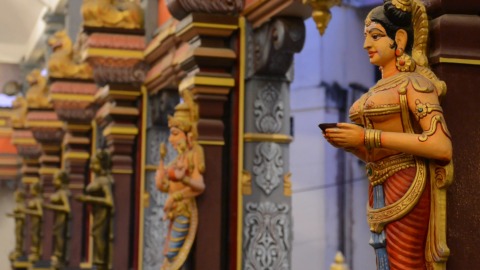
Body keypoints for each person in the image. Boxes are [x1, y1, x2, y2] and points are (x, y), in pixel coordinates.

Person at [322, 0, 453, 269]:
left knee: (405, 263)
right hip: (378, 183)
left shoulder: (414, 85)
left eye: (376, 36)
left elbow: (441, 145)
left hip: (409, 182)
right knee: (383, 257)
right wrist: (352, 144)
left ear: (400, 39)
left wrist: (367, 138)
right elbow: (373, 150)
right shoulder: (375, 91)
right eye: (365, 37)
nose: (366, 45)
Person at [155, 92, 206, 270]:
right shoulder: (175, 161)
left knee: (173, 256)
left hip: (185, 211)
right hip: (174, 213)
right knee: (169, 258)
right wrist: (161, 161)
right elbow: (162, 186)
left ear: (188, 135)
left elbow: (199, 186)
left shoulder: (193, 155)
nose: (171, 140)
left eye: (175, 134)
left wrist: (177, 193)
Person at [76, 150, 114, 270]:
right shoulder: (98, 179)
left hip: (103, 216)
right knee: (96, 238)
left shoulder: (104, 181)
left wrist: (88, 199)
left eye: (95, 164)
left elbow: (109, 201)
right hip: (97, 215)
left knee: (100, 240)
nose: (91, 167)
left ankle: (101, 265)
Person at [43, 170, 71, 269]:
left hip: (63, 221)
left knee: (60, 239)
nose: (53, 182)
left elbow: (67, 208)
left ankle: (60, 258)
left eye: (56, 179)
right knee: (57, 237)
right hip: (58, 221)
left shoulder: (63, 193)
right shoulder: (59, 192)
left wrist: (49, 207)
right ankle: (58, 257)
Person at [22, 183, 44, 263]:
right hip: (33, 222)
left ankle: (36, 253)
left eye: (32, 189)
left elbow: (40, 212)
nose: (31, 191)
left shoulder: (38, 200)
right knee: (33, 235)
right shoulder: (35, 200)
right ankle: (34, 252)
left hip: (37, 222)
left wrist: (27, 211)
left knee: (35, 236)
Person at [7, 189, 26, 262]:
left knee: (19, 236)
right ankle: (18, 249)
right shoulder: (19, 205)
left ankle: (19, 250)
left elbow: (24, 216)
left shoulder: (21, 205)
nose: (14, 198)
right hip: (17, 223)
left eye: (15, 196)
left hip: (20, 223)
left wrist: (13, 215)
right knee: (17, 235)